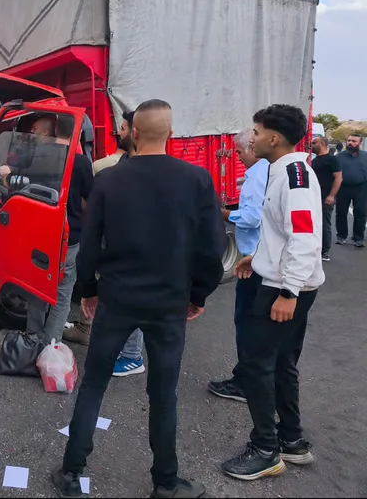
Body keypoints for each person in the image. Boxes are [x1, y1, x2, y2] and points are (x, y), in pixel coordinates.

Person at [52, 100, 225, 499]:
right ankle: (165, 482)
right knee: (163, 395)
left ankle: (71, 473)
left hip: (118, 298)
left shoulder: (109, 180)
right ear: (170, 132)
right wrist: (198, 293)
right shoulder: (197, 179)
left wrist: (89, 291)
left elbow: (90, 244)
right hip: (169, 302)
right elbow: (211, 248)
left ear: (133, 132)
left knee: (94, 384)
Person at [221, 104, 324, 481]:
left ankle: (265, 449)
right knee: (281, 364)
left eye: (257, 131)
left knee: (256, 364)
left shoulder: (293, 177)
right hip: (282, 280)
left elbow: (304, 237)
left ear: (274, 138)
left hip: (284, 288)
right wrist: (257, 257)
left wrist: (289, 292)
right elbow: (282, 232)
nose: (252, 138)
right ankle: (291, 441)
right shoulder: (283, 171)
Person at [65, 111, 146, 378]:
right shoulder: (120, 165)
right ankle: (123, 350)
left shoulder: (107, 169)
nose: (117, 132)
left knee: (128, 303)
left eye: (122, 128)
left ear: (135, 132)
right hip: (122, 249)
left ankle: (131, 356)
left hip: (125, 250)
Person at [208, 130, 269, 402]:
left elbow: (252, 218)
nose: (237, 156)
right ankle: (256, 379)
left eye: (240, 151)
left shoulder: (257, 175)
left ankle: (245, 383)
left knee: (247, 323)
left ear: (253, 148)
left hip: (254, 262)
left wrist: (222, 213)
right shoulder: (269, 170)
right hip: (260, 258)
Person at [25, 115, 93, 345]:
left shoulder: (36, 155)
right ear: (78, 133)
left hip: (38, 234)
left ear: (56, 130)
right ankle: (50, 345)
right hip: (68, 237)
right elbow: (89, 201)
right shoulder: (81, 163)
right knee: (62, 294)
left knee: (36, 287)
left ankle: (32, 338)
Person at [311, 136, 342, 261]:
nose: (312, 145)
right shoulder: (315, 160)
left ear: (322, 144)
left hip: (326, 197)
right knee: (315, 223)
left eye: (314, 143)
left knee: (324, 224)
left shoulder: (332, 159)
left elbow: (338, 178)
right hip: (314, 197)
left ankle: (325, 251)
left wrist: (331, 195)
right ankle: (316, 248)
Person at [334, 133, 367, 248]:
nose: (350, 143)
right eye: (349, 140)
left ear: (360, 143)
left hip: (361, 188)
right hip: (343, 188)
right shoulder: (339, 157)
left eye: (354, 141)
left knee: (360, 213)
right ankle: (341, 236)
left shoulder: (365, 156)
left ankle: (358, 238)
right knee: (341, 213)